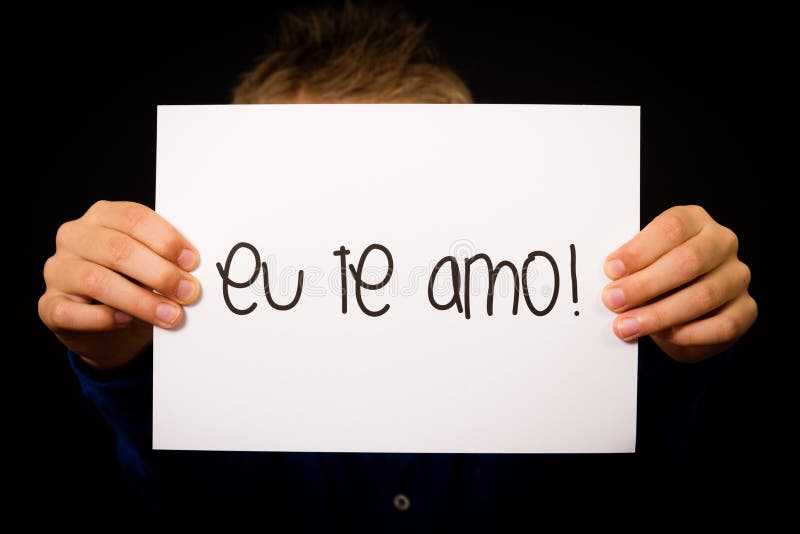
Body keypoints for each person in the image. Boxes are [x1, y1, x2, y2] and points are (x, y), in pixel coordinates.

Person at [37, 2, 757, 526]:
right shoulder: (220, 408)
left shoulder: (551, 388)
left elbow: (622, 464)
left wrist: (672, 334)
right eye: (319, 199)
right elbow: (178, 474)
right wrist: (119, 352)